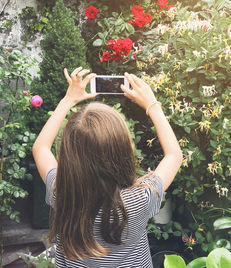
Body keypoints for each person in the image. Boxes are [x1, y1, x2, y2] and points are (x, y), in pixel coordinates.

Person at [32, 67, 183, 268]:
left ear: (69, 155)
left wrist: (68, 100)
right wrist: (152, 105)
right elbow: (174, 155)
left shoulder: (62, 193)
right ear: (124, 150)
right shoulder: (140, 200)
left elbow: (40, 147)